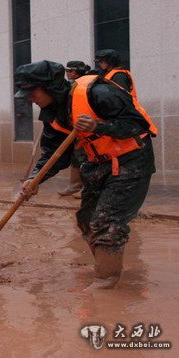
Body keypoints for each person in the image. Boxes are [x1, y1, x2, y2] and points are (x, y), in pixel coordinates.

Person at [14, 60, 157, 289]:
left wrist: (98, 126)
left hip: (131, 159)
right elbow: (54, 153)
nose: (29, 98)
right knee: (87, 220)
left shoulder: (97, 92)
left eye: (32, 92)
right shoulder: (52, 113)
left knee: (106, 222)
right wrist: (35, 178)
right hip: (96, 162)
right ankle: (107, 264)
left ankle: (105, 283)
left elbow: (136, 125)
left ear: (49, 86)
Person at [58, 61, 91, 196]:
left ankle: (87, 188)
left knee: (85, 157)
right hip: (74, 128)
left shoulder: (85, 85)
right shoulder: (70, 86)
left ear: (76, 72)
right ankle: (75, 185)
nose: (67, 73)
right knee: (75, 156)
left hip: (86, 127)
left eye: (69, 71)